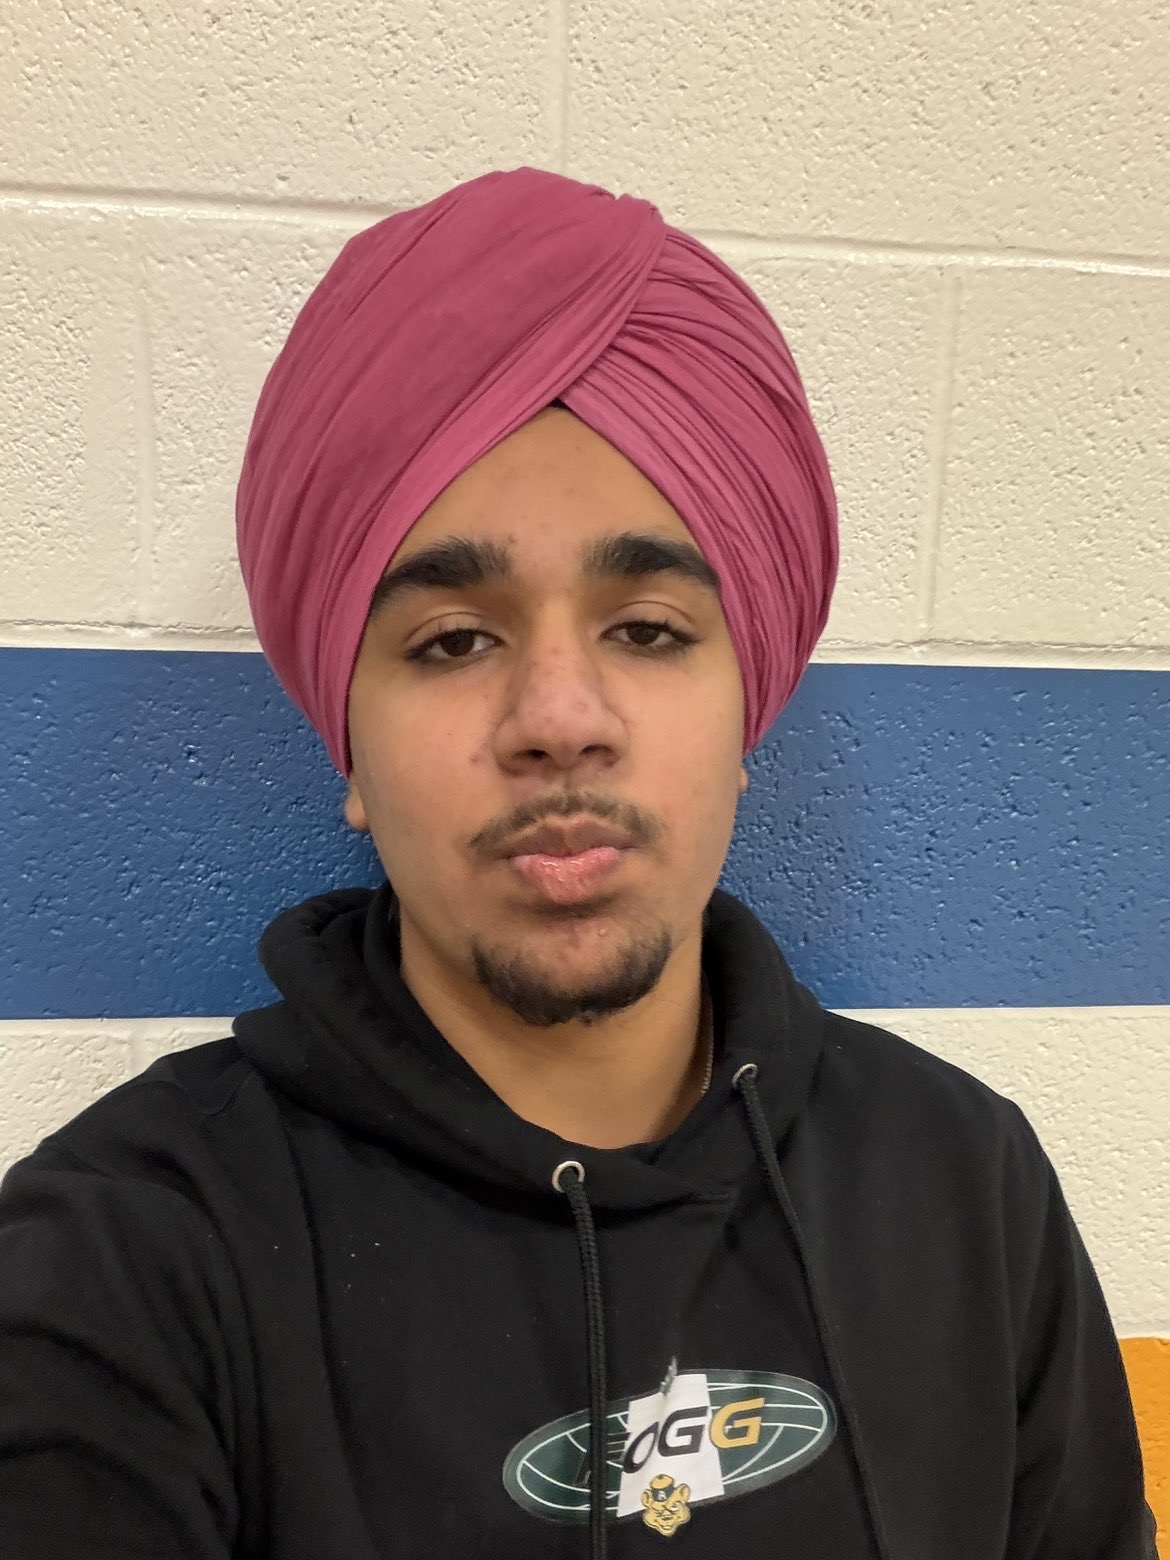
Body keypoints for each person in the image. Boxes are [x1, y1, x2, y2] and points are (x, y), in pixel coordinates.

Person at [0, 168, 1155, 1560]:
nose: (558, 718)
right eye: (452, 641)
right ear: (346, 750)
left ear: (746, 717)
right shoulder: (119, 1260)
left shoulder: (963, 1185)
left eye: (649, 630)